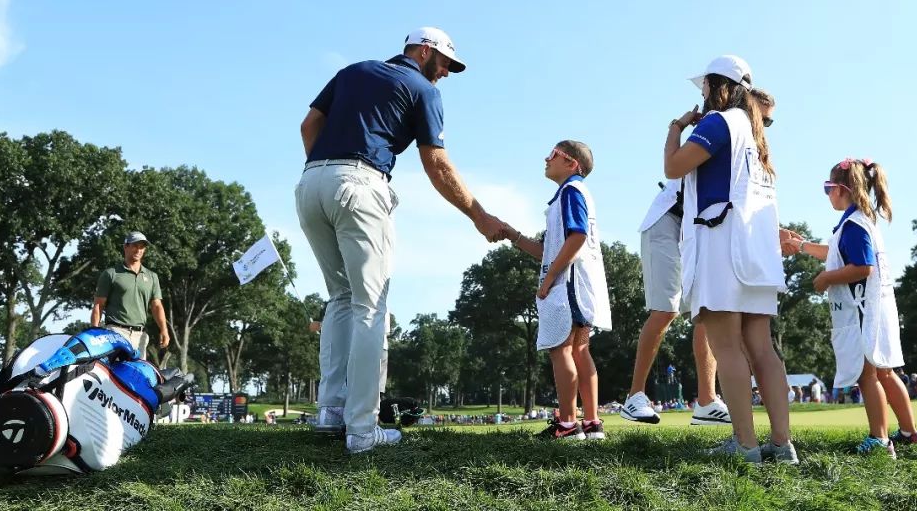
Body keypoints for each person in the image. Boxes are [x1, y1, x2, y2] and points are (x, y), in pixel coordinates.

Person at [296, 27, 505, 454]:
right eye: (445, 63)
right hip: (360, 183)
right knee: (370, 307)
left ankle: (331, 411)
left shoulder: (352, 70)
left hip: (310, 183)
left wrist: (327, 171)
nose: (445, 73)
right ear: (423, 51)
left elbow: (309, 124)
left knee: (340, 298)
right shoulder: (423, 89)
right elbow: (438, 165)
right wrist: (479, 216)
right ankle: (361, 429)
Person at [663, 55, 796, 464]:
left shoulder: (719, 123)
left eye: (704, 86)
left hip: (722, 244)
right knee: (762, 348)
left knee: (727, 349)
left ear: (718, 86)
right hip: (757, 252)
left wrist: (674, 129)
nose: (701, 94)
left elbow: (672, 168)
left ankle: (746, 445)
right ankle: (781, 443)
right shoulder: (757, 136)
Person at [622, 88, 780, 428]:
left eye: (769, 121)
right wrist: (676, 127)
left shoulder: (747, 145)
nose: (764, 124)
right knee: (666, 310)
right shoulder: (720, 125)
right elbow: (675, 169)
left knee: (707, 309)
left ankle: (707, 401)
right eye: (762, 116)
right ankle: (634, 397)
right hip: (668, 223)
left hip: (696, 232)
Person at [785, 158, 917, 456]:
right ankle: (911, 435)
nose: (827, 195)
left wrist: (826, 278)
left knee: (868, 375)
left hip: (863, 310)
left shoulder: (854, 224)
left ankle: (880, 439)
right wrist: (801, 245)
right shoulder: (859, 221)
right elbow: (835, 252)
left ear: (841, 189)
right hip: (877, 308)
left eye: (827, 188)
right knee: (886, 373)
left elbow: (863, 267)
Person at [501, 141, 611, 441]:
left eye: (553, 154)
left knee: (560, 348)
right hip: (582, 281)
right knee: (580, 349)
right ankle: (591, 423)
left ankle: (567, 424)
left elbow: (576, 238)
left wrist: (549, 279)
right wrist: (514, 235)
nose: (546, 158)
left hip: (569, 282)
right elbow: (548, 249)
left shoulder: (570, 192)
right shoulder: (571, 194)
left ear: (572, 163)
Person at [91, 231, 170, 360]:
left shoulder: (151, 277)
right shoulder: (111, 274)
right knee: (113, 373)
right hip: (115, 332)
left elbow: (157, 306)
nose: (138, 250)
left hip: (140, 335)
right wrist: (94, 331)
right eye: (135, 246)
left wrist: (164, 330)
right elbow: (99, 305)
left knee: (137, 376)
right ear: (125, 247)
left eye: (142, 247)